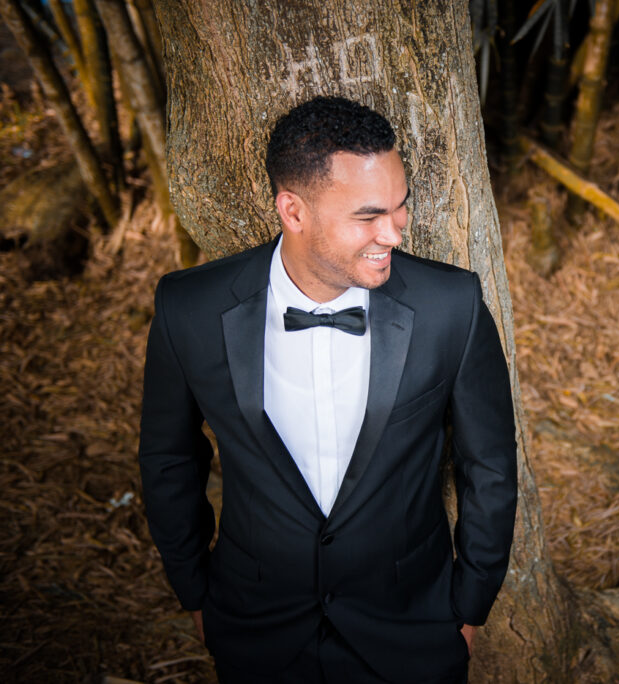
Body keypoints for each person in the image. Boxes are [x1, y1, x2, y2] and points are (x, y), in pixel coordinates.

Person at [138, 95, 518, 684]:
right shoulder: (188, 308)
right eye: (368, 216)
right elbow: (169, 458)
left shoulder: (452, 307)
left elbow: (489, 465)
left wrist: (469, 606)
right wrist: (192, 589)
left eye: (401, 207)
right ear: (293, 211)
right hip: (255, 625)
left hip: (412, 626)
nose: (393, 234)